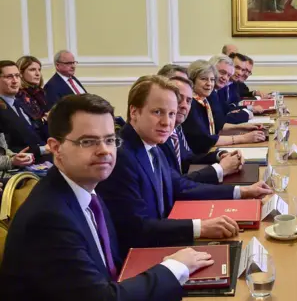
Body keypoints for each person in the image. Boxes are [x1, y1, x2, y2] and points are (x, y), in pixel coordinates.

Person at [0, 93, 216, 301]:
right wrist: (175, 266)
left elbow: (112, 267)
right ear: (55, 148)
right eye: (88, 141)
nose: (105, 150)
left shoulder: (87, 189)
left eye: (110, 140)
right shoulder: (47, 217)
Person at [97, 75, 272, 255]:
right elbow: (137, 228)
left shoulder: (151, 145)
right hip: (143, 255)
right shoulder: (121, 157)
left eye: (171, 113)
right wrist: (199, 228)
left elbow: (180, 186)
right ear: (134, 112)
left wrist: (242, 192)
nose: (167, 122)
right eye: (157, 112)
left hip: (164, 239)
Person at [159, 75, 244, 184]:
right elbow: (175, 185)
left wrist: (219, 155)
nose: (184, 105)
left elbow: (187, 159)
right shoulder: (160, 133)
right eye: (179, 98)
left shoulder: (176, 128)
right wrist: (221, 169)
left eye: (189, 100)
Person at [181, 60, 265, 154]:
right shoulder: (191, 104)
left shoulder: (203, 100)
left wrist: (243, 127)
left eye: (212, 79)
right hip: (199, 159)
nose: (209, 84)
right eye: (204, 79)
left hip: (208, 152)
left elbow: (216, 128)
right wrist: (243, 138)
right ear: (192, 81)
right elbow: (205, 140)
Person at [0, 60, 49, 160]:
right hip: (22, 166)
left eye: (17, 76)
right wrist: (42, 149)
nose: (15, 81)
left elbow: (34, 130)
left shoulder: (20, 101)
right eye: (9, 77)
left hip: (44, 157)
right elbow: (7, 150)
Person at [15, 55, 48, 121]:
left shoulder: (40, 91)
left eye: (39, 70)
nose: (38, 73)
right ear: (20, 73)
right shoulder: (20, 94)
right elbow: (33, 122)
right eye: (32, 70)